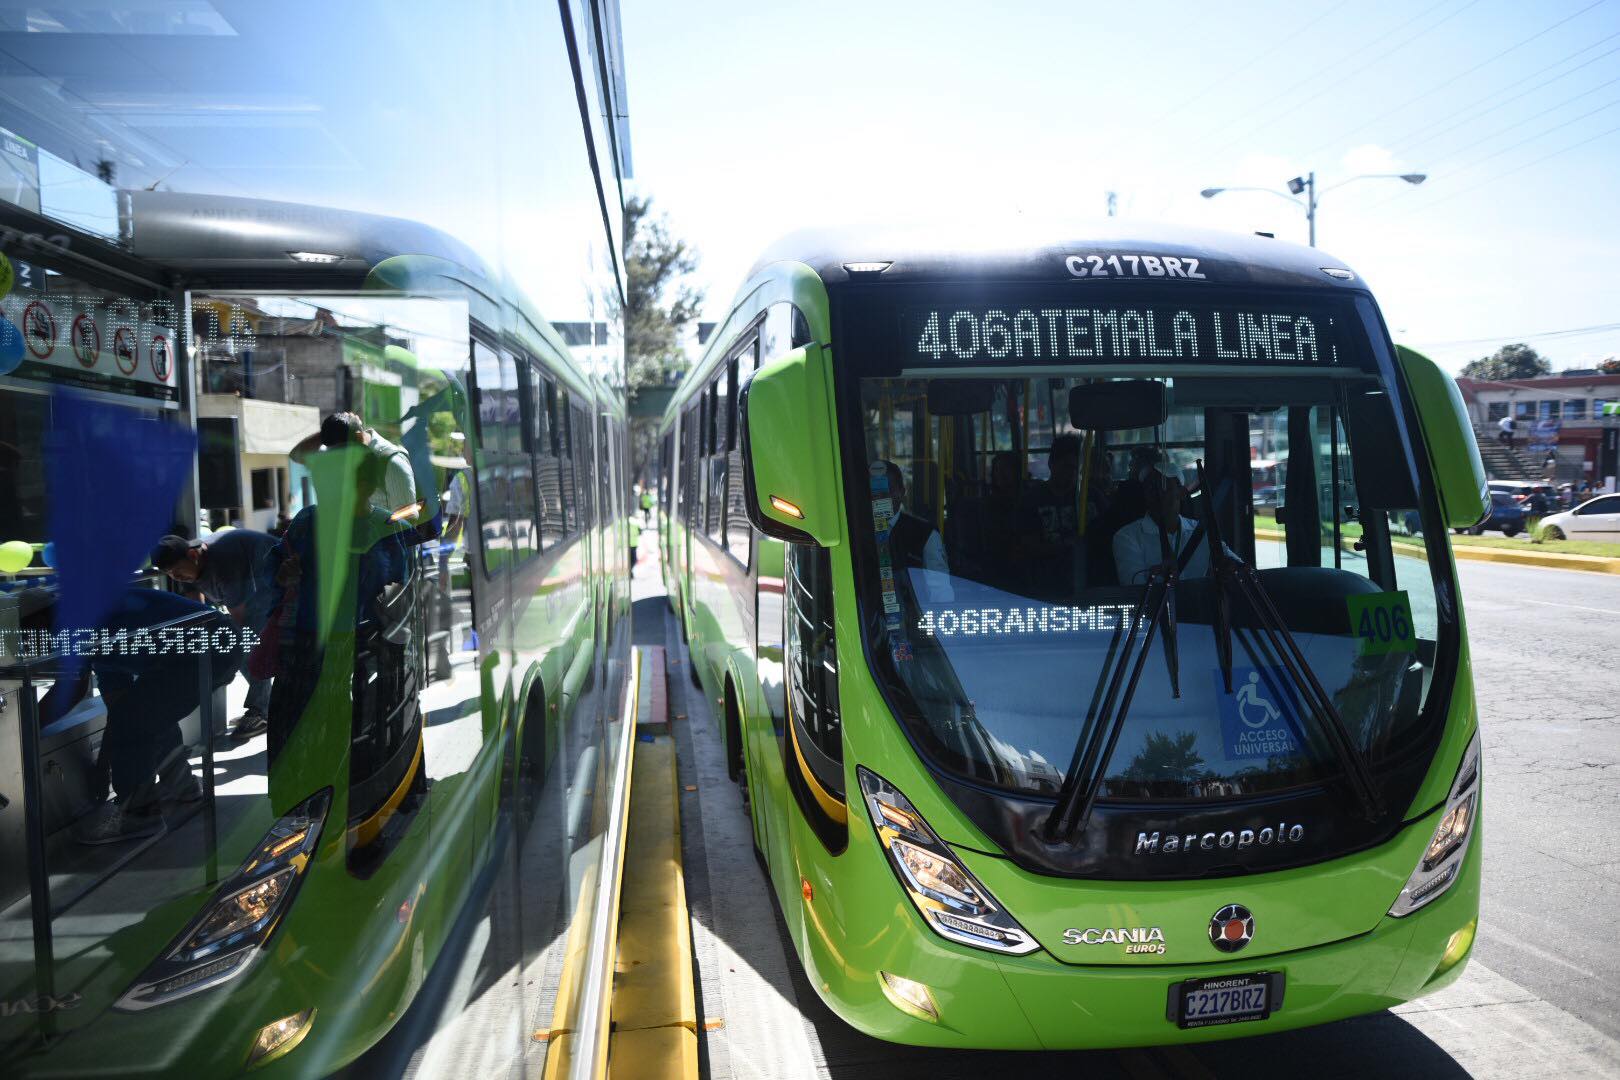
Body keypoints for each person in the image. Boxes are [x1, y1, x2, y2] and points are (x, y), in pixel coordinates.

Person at [151, 528, 284, 741]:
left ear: (193, 555)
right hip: (252, 588)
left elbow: (240, 616)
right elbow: (197, 613)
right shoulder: (188, 565)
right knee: (232, 644)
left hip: (274, 579)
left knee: (245, 643)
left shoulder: (223, 560)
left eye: (178, 572)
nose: (178, 578)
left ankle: (260, 710)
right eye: (171, 576)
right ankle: (266, 703)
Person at [1113, 458, 1220, 587]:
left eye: (1163, 486)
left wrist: (1230, 566)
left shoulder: (1202, 532)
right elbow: (1134, 588)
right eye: (1150, 487)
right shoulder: (1127, 536)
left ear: (1181, 493)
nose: (1157, 493)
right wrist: (1154, 578)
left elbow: (1230, 560)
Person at [291, 411, 418, 519]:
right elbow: (297, 455)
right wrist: (333, 427)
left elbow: (408, 520)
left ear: (358, 438)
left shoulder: (392, 462)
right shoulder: (343, 451)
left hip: (385, 546)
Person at [878, 461, 951, 602]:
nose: (880, 499)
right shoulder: (855, 532)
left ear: (902, 492)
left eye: (887, 491)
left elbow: (940, 592)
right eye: (874, 492)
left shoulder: (925, 534)